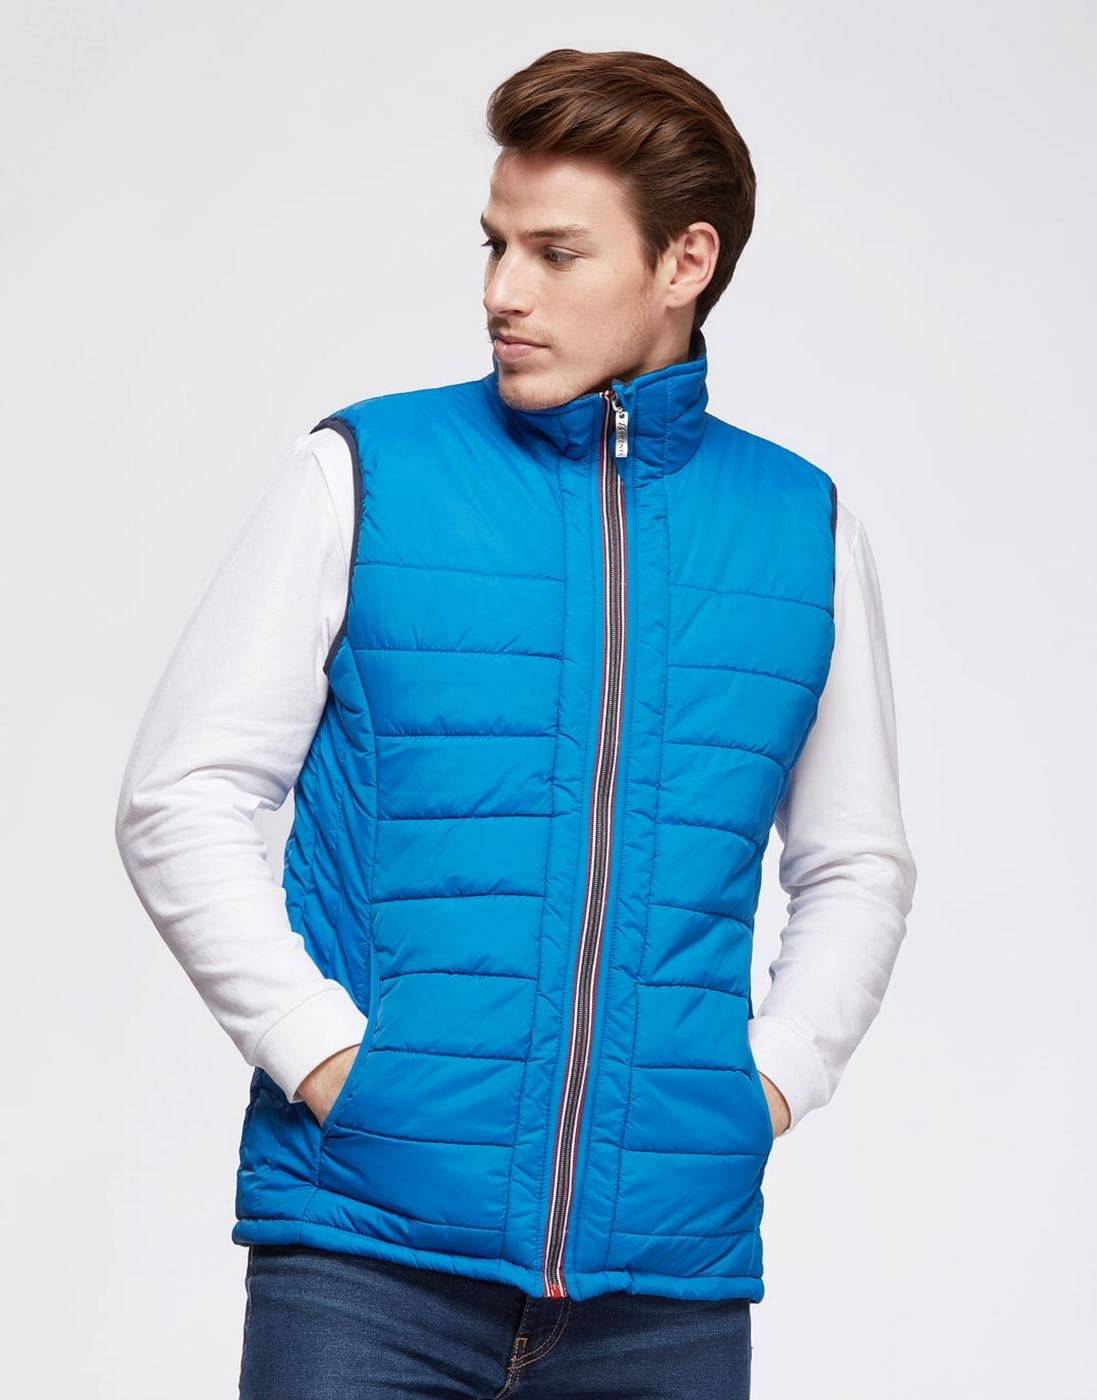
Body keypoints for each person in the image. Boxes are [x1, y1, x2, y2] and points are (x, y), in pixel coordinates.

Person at [115, 46, 916, 1399]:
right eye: (495, 244)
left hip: (663, 1300)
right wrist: (323, 1057)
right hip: (362, 1267)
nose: (502, 290)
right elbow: (179, 793)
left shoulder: (802, 529)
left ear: (685, 261)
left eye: (555, 252)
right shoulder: (366, 471)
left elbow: (859, 864)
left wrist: (768, 1084)